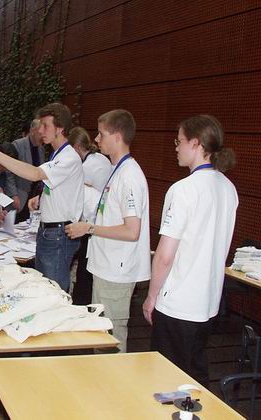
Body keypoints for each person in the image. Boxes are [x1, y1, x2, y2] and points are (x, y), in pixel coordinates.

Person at [142, 115, 238, 386]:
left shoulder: (183, 190)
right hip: (207, 301)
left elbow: (165, 256)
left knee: (163, 381)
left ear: (195, 144)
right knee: (193, 377)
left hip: (178, 303)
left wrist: (151, 296)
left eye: (179, 141)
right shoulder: (228, 188)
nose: (176, 147)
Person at [0, 103, 84, 292]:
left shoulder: (68, 157)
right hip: (50, 232)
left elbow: (34, 174)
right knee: (45, 289)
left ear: (60, 129)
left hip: (57, 235)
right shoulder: (57, 154)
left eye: (45, 126)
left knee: (53, 292)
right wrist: (41, 198)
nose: (40, 130)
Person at [66, 109, 150, 353]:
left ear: (117, 136)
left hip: (116, 270)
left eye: (101, 134)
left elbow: (132, 231)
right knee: (101, 334)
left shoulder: (130, 176)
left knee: (111, 338)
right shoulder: (118, 170)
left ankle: (114, 377)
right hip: (105, 267)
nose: (96, 139)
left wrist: (89, 228)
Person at [68, 126, 112, 305]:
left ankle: (81, 304)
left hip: (92, 222)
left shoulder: (85, 167)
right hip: (102, 220)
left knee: (84, 272)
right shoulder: (101, 159)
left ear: (77, 147)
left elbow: (79, 197)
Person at [5, 119, 45, 222]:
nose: (43, 136)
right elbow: (9, 172)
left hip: (34, 195)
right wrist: (14, 195)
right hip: (19, 195)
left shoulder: (41, 149)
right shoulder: (18, 145)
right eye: (40, 133)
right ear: (32, 131)